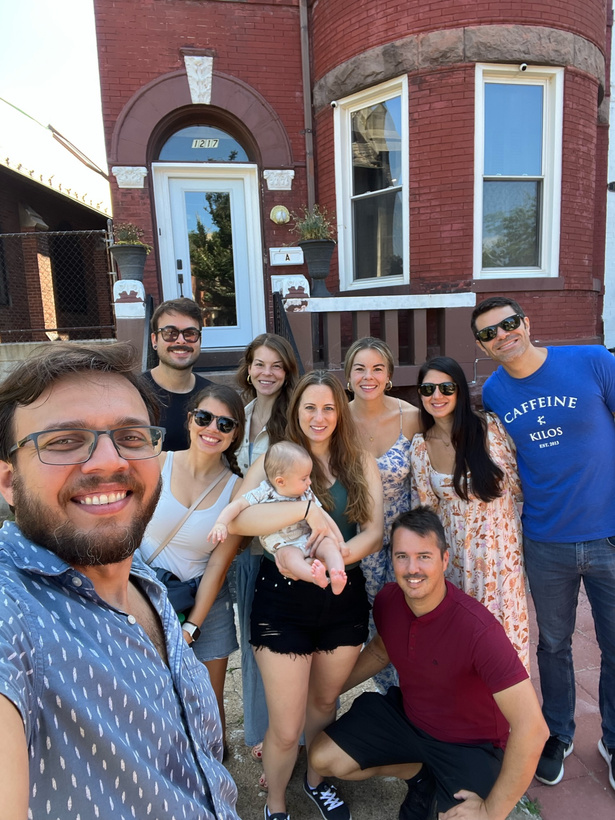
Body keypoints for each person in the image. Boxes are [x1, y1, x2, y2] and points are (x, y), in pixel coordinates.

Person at [0, 343, 239, 819]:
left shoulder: (140, 575)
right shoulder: (14, 614)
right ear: (8, 481)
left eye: (131, 437)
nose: (109, 462)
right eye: (64, 440)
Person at [310, 508, 548, 820]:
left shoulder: (479, 630)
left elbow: (533, 729)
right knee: (322, 758)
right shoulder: (388, 600)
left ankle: (445, 787)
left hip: (471, 746)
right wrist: (328, 689)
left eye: (424, 556)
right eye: (402, 557)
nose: (412, 568)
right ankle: (420, 775)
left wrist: (491, 811)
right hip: (409, 721)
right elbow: (381, 650)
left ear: (445, 560)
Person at [471, 296, 615, 790]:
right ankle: (558, 733)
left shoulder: (592, 360)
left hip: (608, 534)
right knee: (553, 644)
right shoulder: (495, 391)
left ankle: (612, 741)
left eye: (508, 323)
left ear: (526, 323)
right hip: (546, 538)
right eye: (489, 333)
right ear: (482, 346)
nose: (502, 335)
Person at [227, 370, 384, 820]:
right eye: (310, 407)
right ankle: (276, 805)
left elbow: (373, 532)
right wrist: (304, 509)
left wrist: (331, 558)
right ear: (296, 410)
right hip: (282, 599)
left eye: (329, 408)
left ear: (340, 412)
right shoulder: (275, 459)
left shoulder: (359, 460)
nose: (319, 417)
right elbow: (239, 521)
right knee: (285, 724)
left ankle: (317, 781)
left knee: (324, 703)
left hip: (341, 591)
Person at [410, 355, 529, 670]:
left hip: (500, 556)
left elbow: (519, 484)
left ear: (460, 390)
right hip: (455, 559)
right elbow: (427, 510)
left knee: (504, 638)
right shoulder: (421, 446)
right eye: (428, 389)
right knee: (461, 640)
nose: (437, 396)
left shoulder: (489, 429)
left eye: (446, 388)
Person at [139, 384, 245, 741]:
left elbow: (218, 565)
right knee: (152, 700)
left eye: (225, 424)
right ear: (189, 420)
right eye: (204, 418)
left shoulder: (236, 490)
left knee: (210, 705)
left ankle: (215, 766)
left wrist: (192, 628)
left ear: (234, 435)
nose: (213, 428)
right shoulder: (157, 462)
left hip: (205, 603)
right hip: (147, 596)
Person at [234, 333, 299, 762]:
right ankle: (264, 731)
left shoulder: (293, 419)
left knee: (286, 646)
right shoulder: (238, 415)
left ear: (287, 372)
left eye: (276, 365)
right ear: (248, 368)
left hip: (284, 548)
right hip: (246, 548)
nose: (267, 373)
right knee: (253, 643)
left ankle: (291, 735)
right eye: (260, 364)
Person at [344, 337, 421, 689]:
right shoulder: (336, 419)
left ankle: (416, 693)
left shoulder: (411, 417)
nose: (368, 377)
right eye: (360, 368)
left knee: (410, 616)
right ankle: (387, 695)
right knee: (373, 622)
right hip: (357, 536)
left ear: (389, 375)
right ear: (348, 375)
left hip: (404, 537)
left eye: (377, 369)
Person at [209, 441, 348, 593]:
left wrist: (339, 541)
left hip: (310, 540)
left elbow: (324, 517)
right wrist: (221, 523)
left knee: (329, 546)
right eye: (304, 478)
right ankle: (316, 577)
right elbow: (237, 505)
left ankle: (337, 574)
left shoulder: (306, 493)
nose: (309, 482)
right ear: (280, 481)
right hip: (284, 545)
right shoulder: (264, 492)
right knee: (289, 558)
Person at [142, 296, 212, 450]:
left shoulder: (212, 395)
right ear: (154, 340)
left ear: (200, 340)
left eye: (190, 333)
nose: (181, 340)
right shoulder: (135, 392)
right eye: (170, 333)